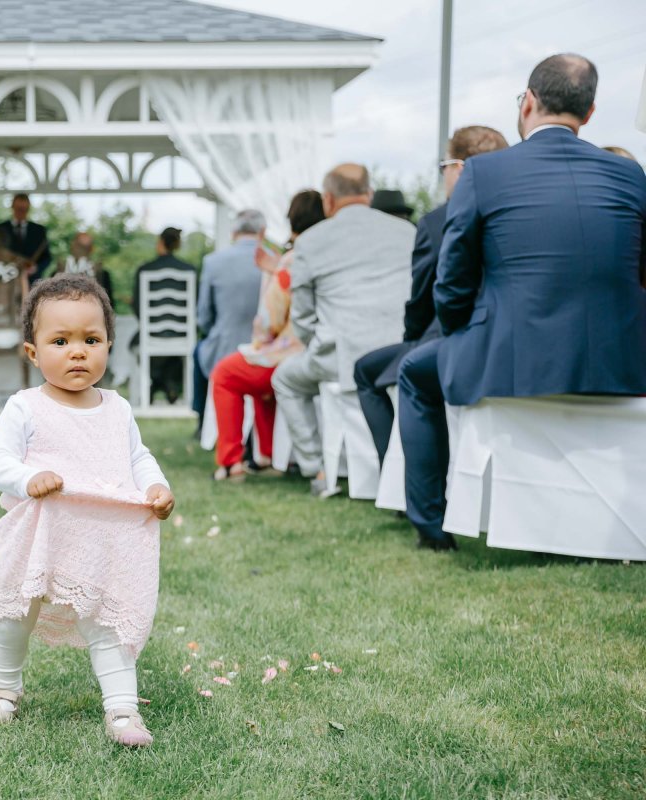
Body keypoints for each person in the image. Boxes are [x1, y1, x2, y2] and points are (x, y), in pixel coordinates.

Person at [399, 53, 646, 551]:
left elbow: (452, 282)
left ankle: (433, 527)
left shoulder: (483, 173)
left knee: (411, 373)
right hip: (621, 361)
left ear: (528, 102)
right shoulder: (631, 176)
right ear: (590, 113)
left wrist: (461, 331)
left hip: (514, 361)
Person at [0, 274, 175, 747]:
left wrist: (155, 486)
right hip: (38, 536)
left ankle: (122, 709)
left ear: (108, 345)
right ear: (33, 352)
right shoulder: (25, 407)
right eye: (60, 341)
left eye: (91, 340)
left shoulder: (116, 409)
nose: (78, 352)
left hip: (100, 539)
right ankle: (2, 691)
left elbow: (137, 457)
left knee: (107, 623)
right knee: (13, 615)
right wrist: (28, 478)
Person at [353, 126, 508, 463]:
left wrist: (412, 337)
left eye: (444, 166)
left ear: (460, 168)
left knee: (369, 371)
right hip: (506, 339)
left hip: (451, 338)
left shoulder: (438, 222)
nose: (443, 175)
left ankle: (396, 470)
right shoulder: (516, 212)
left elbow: (423, 298)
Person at [272, 164, 415, 498]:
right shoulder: (407, 231)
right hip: (401, 352)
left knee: (284, 379)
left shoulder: (309, 241)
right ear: (368, 193)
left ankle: (317, 470)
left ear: (328, 200)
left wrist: (315, 343)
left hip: (340, 356)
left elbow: (302, 317)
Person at [209, 191, 325, 480]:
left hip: (293, 352)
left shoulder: (293, 260)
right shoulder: (329, 254)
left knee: (226, 373)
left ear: (293, 221)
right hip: (321, 349)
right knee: (259, 371)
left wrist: (259, 341)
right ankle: (267, 454)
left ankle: (231, 461)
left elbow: (269, 319)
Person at [195, 210, 267, 429]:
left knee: (198, 351)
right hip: (265, 350)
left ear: (234, 232)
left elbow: (203, 316)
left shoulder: (213, 262)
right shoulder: (275, 261)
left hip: (224, 348)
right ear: (262, 232)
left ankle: (202, 420)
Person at [131, 226, 197, 404]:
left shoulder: (145, 270)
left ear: (160, 243)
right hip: (182, 333)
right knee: (174, 357)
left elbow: (137, 306)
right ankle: (169, 383)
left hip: (151, 333)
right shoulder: (189, 270)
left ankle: (157, 383)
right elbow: (196, 306)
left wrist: (150, 326)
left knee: (134, 346)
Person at [0, 193, 52, 284]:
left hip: (31, 282)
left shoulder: (39, 230)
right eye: (19, 209)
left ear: (28, 209)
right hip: (5, 282)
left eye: (24, 209)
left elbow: (47, 257)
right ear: (12, 207)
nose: (21, 212)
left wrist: (36, 268)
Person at [54, 232, 112, 299]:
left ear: (91, 250)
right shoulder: (60, 270)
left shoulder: (102, 274)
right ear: (72, 247)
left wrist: (99, 277)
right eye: (79, 247)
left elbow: (108, 301)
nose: (80, 251)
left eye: (84, 248)